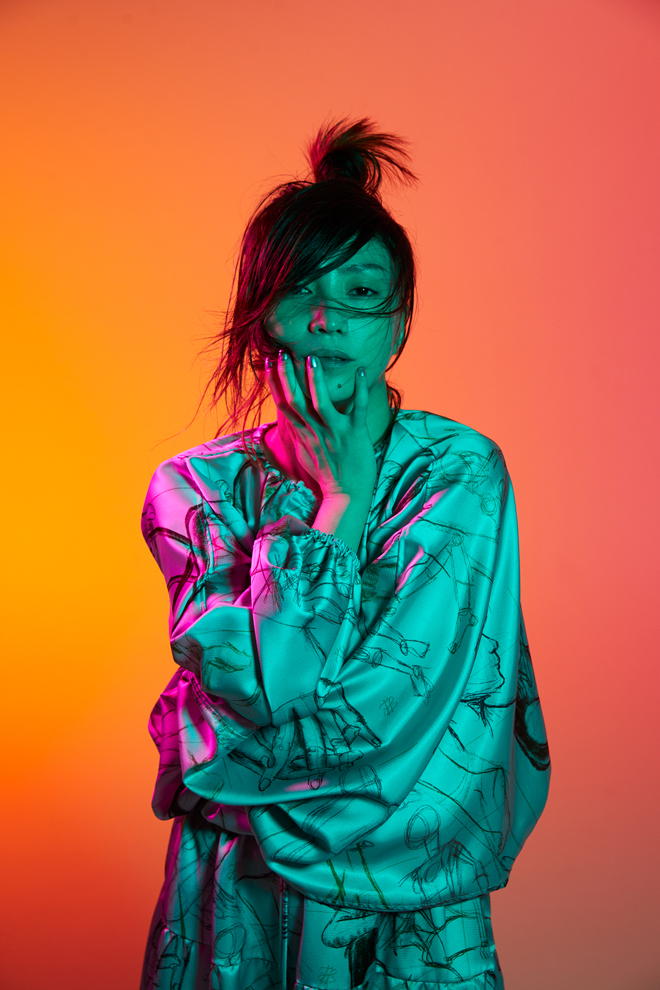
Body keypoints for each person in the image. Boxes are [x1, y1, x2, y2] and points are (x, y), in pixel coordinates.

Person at [139, 118, 550, 990]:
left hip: (408, 905)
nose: (328, 321)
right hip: (238, 894)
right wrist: (340, 503)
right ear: (260, 317)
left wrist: (229, 744)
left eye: (362, 295)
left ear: (397, 327)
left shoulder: (459, 472)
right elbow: (277, 690)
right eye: (301, 291)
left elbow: (388, 715)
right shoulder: (194, 488)